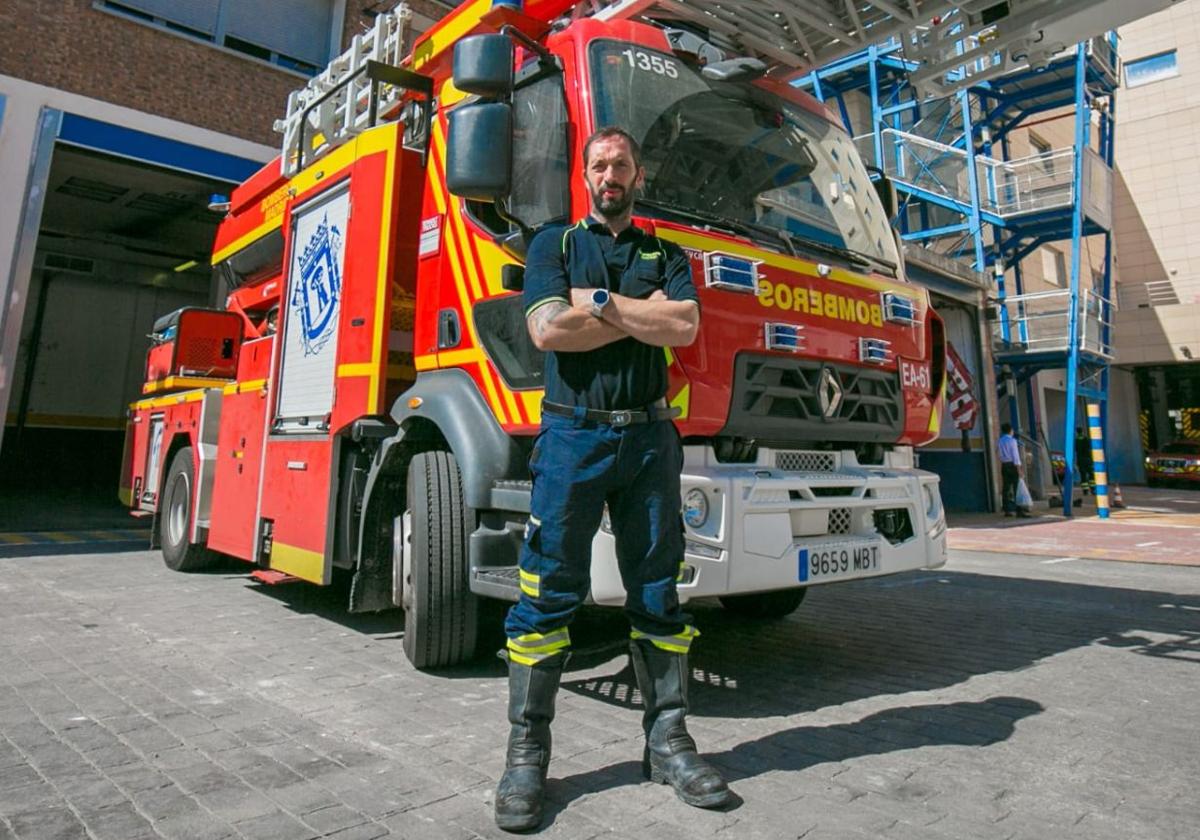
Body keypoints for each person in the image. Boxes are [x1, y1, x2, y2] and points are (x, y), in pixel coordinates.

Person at [493, 126, 731, 832]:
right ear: (586, 175)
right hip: (573, 436)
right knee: (546, 593)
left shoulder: (666, 252)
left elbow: (684, 326)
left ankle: (670, 744)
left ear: (638, 174)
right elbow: (546, 332)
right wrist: (640, 317)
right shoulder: (554, 246)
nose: (610, 174)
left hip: (651, 439)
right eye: (599, 164)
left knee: (659, 591)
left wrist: (597, 305)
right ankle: (526, 755)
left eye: (621, 164)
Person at [998, 422, 1029, 517]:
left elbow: (998, 453)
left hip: (1004, 465)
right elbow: (1015, 456)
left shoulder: (1000, 441)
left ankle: (1007, 510)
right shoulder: (1012, 441)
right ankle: (1019, 510)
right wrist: (1019, 468)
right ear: (1010, 430)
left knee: (1006, 488)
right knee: (1017, 487)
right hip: (1012, 465)